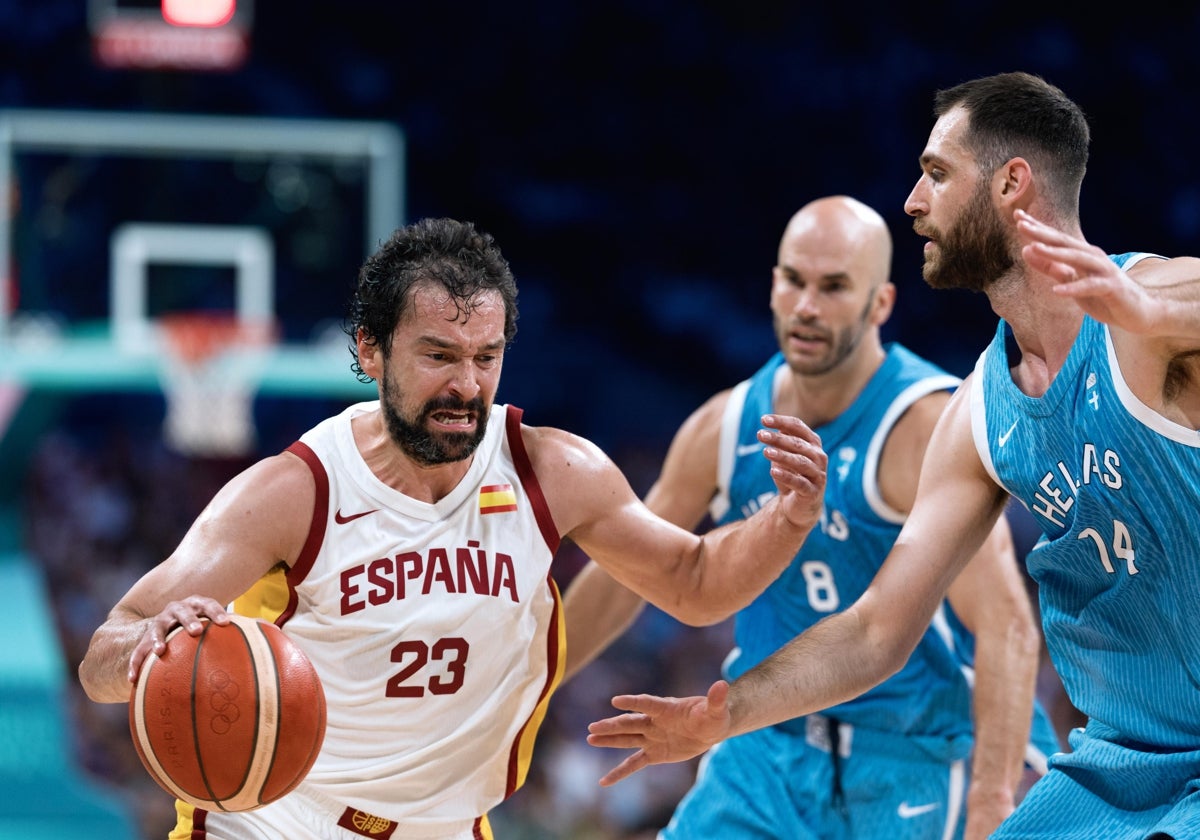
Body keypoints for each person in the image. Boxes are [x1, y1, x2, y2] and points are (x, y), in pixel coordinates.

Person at [586, 71, 1200, 839]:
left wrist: (1151, 313)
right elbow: (877, 630)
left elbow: (1180, 297)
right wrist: (724, 714)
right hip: (1121, 762)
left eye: (937, 174)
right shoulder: (977, 408)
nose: (912, 201)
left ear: (1013, 184)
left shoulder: (1150, 311)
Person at [77, 217, 829, 840]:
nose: (466, 385)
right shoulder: (294, 491)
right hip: (273, 821)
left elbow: (697, 585)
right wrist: (147, 648)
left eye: (486, 357)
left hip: (449, 826)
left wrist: (789, 520)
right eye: (438, 356)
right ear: (371, 350)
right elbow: (106, 652)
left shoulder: (553, 471)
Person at [564, 195, 1059, 839]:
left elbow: (1007, 628)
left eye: (833, 288)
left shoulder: (924, 425)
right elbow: (624, 574)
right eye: (794, 280)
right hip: (764, 748)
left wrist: (991, 804)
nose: (806, 306)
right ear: (772, 284)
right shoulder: (724, 426)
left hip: (911, 753)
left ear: (880, 304)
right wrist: (522, 688)